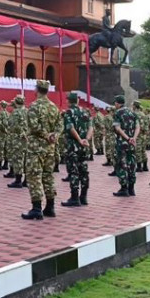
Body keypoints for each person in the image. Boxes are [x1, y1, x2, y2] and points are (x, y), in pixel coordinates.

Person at [21, 79, 61, 220]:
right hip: (49, 148)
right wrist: (53, 136)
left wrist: (45, 135)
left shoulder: (34, 106)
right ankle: (50, 207)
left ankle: (36, 208)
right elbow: (60, 125)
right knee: (48, 175)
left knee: (34, 176)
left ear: (36, 90)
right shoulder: (53, 107)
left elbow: (33, 126)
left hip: (36, 147)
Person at [61, 93, 91, 207]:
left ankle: (74, 198)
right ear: (77, 101)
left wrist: (79, 140)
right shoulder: (85, 112)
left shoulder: (69, 112)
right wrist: (86, 139)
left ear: (69, 101)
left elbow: (71, 128)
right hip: (84, 146)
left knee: (73, 171)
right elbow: (91, 127)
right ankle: (83, 197)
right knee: (84, 171)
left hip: (73, 145)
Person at [111, 95, 139, 197]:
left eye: (115, 103)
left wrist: (127, 138)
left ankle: (124, 189)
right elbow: (137, 127)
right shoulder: (132, 112)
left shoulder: (118, 113)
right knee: (132, 164)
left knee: (122, 165)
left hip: (122, 143)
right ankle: (132, 188)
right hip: (132, 144)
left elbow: (118, 128)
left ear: (118, 103)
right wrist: (133, 138)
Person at [6, 95, 27, 188]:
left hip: (17, 138)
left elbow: (13, 125)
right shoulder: (27, 111)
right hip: (26, 138)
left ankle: (18, 180)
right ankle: (27, 180)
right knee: (26, 158)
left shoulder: (16, 112)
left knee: (18, 158)